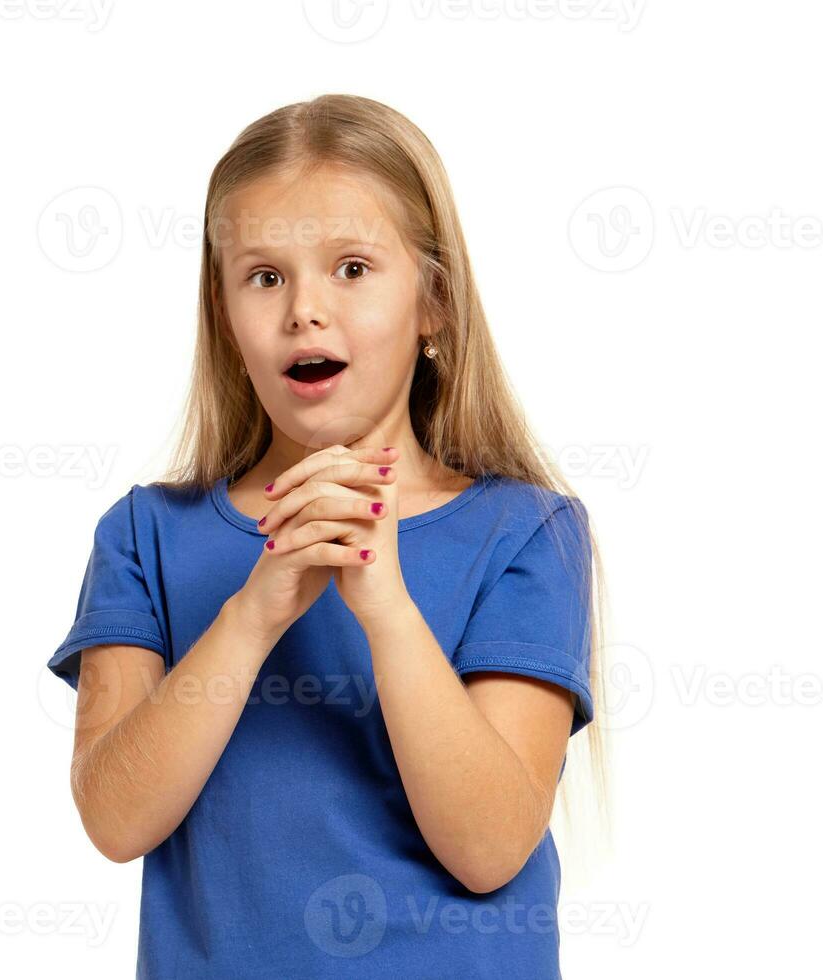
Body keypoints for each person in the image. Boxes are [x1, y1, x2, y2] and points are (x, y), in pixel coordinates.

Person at [46, 93, 610, 979]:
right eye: (265, 277)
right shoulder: (146, 535)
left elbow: (491, 845)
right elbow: (116, 821)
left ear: (433, 304)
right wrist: (253, 610)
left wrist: (383, 603)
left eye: (352, 268)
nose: (304, 310)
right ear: (226, 322)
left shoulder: (528, 532)